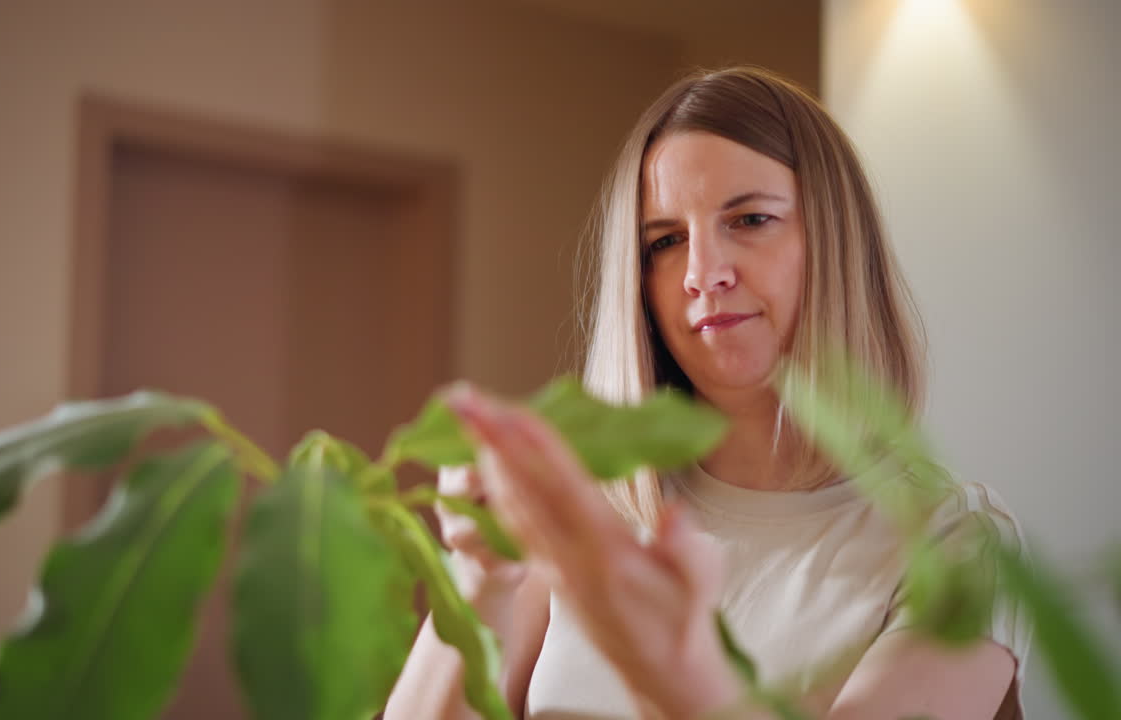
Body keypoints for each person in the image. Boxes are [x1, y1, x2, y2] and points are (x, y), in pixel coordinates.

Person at [385, 66, 1028, 720]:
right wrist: (482, 579)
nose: (702, 274)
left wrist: (668, 662)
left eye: (749, 219)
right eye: (665, 241)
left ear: (836, 241)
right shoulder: (585, 511)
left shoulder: (955, 543)